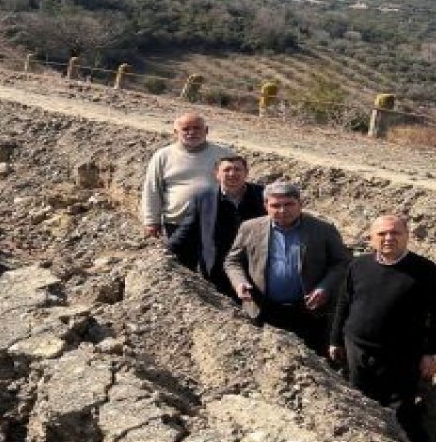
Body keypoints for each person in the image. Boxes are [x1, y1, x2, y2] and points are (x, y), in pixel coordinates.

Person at [329, 214, 436, 442]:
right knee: (360, 400)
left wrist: (433, 353)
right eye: (382, 233)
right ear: (371, 238)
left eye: (395, 233)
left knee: (399, 406)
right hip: (358, 348)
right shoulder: (358, 265)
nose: (388, 238)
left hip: (402, 353)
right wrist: (335, 340)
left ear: (407, 236)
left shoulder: (426, 271)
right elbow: (344, 303)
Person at [223, 181, 350, 354]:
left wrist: (324, 287)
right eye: (275, 205)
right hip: (263, 309)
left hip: (308, 310)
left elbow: (341, 262)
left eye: (289, 204)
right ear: (266, 206)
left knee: (312, 360)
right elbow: (233, 261)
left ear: (300, 204)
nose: (282, 210)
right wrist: (240, 283)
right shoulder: (250, 228)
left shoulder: (323, 229)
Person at [167, 155, 265, 296]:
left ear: (246, 173)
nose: (232, 174)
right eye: (227, 170)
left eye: (237, 169)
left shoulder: (262, 195)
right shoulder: (203, 198)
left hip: (255, 266)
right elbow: (187, 230)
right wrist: (166, 251)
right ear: (217, 174)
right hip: (216, 269)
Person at [139, 113, 234, 258]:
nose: (192, 132)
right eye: (186, 129)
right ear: (176, 132)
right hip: (176, 223)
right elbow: (153, 189)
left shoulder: (224, 154)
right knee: (183, 266)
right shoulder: (163, 156)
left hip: (215, 222)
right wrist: (152, 221)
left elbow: (237, 185)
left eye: (197, 128)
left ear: (206, 130)